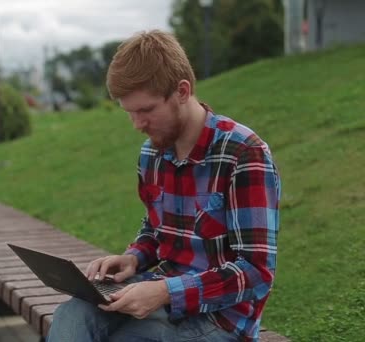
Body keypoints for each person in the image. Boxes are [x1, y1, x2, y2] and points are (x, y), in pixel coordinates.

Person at [47, 30, 281, 342]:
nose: (137, 124)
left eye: (145, 110)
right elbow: (156, 230)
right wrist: (133, 258)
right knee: (72, 314)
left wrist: (163, 292)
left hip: (221, 318)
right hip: (163, 296)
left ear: (182, 91)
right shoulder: (152, 154)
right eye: (129, 112)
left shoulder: (243, 154)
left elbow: (256, 273)